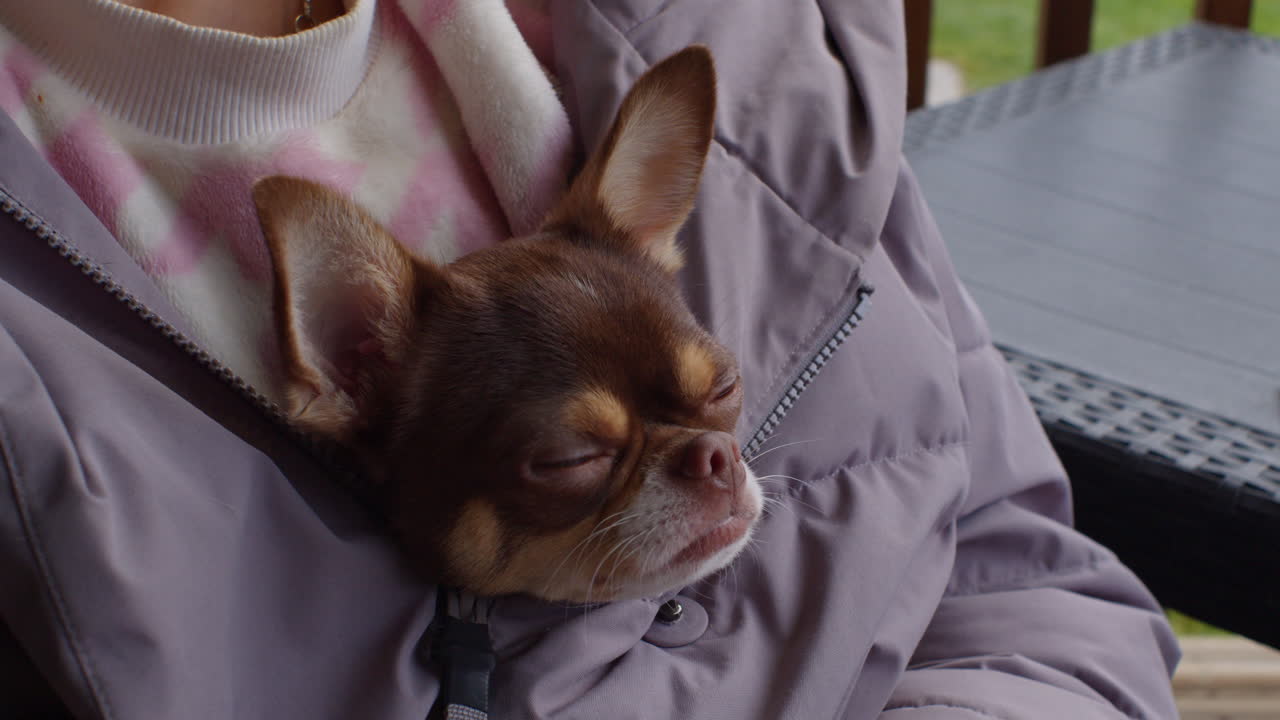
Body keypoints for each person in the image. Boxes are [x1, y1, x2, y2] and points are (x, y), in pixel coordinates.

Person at [0, 0, 1180, 718]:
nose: (714, 460)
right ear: (350, 362)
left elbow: (1016, 582)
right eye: (574, 457)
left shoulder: (735, 34)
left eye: (715, 394)